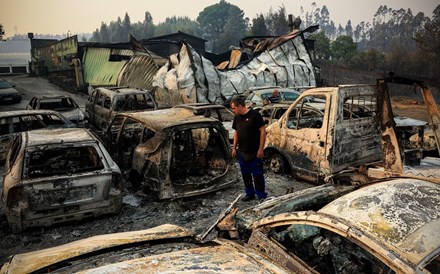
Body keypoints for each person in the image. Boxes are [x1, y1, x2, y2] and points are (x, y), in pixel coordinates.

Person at [230, 96, 267, 201]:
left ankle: (261, 196)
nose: (233, 111)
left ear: (240, 106)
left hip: (255, 152)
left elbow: (263, 131)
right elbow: (236, 132)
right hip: (242, 152)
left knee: (257, 175)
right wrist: (234, 147)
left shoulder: (255, 115)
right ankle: (250, 194)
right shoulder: (237, 117)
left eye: (234, 108)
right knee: (245, 175)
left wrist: (261, 149)